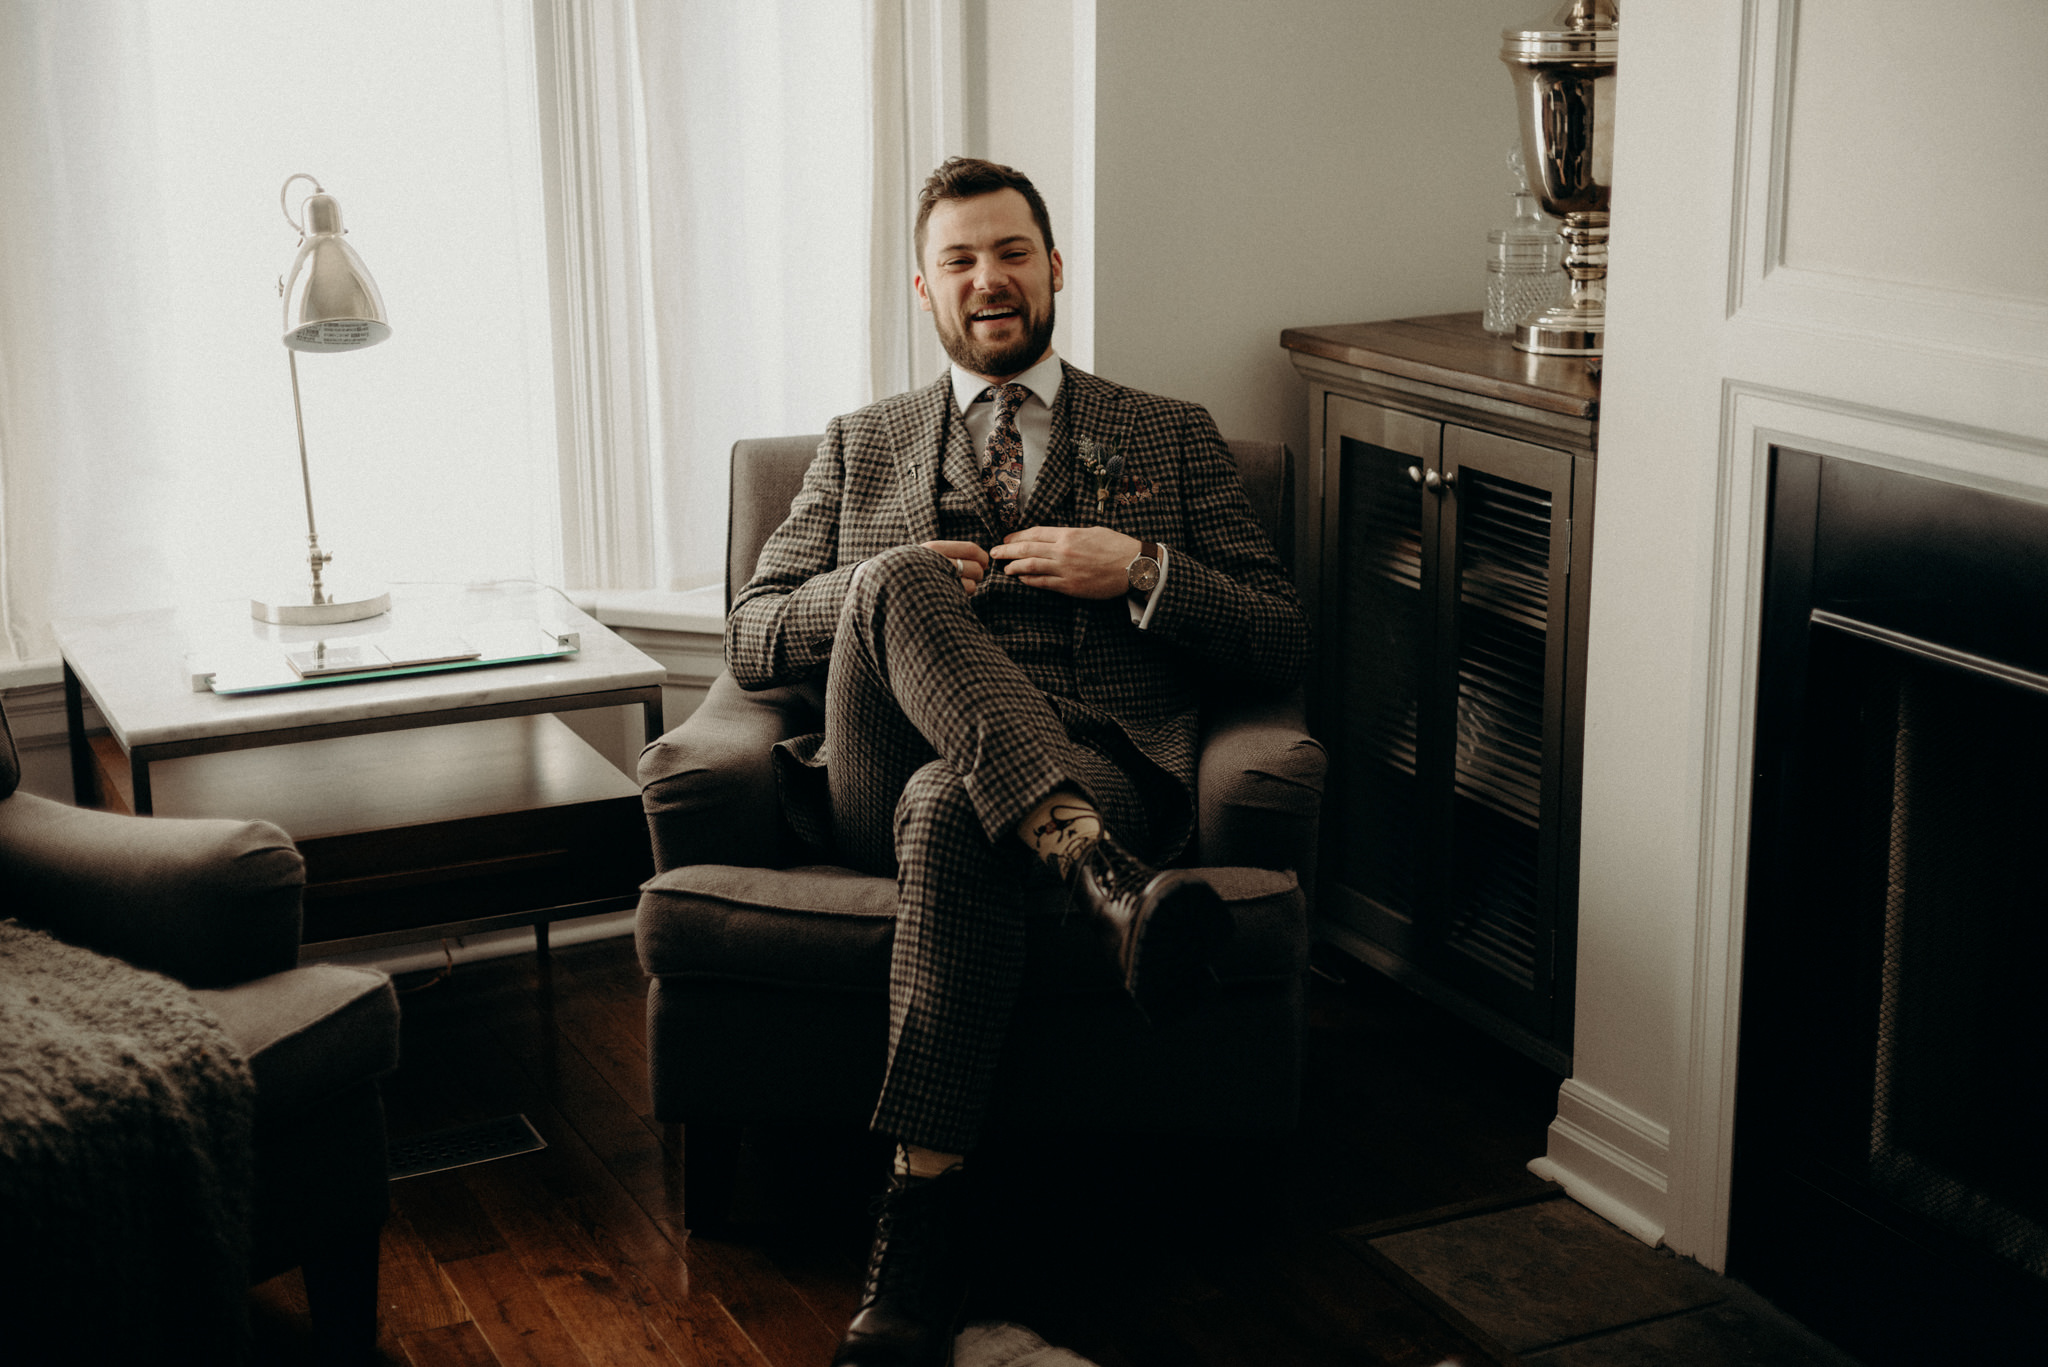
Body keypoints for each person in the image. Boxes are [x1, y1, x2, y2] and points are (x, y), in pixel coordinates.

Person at [725, 156, 1310, 1367]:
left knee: (955, 806)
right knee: (891, 585)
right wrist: (873, 595)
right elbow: (747, 633)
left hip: (1096, 759)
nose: (988, 278)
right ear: (925, 288)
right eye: (959, 259)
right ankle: (1110, 886)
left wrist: (1140, 570)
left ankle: (916, 1240)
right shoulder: (859, 442)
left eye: (1009, 252)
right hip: (874, 767)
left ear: (1053, 267)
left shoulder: (1169, 433)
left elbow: (1278, 633)